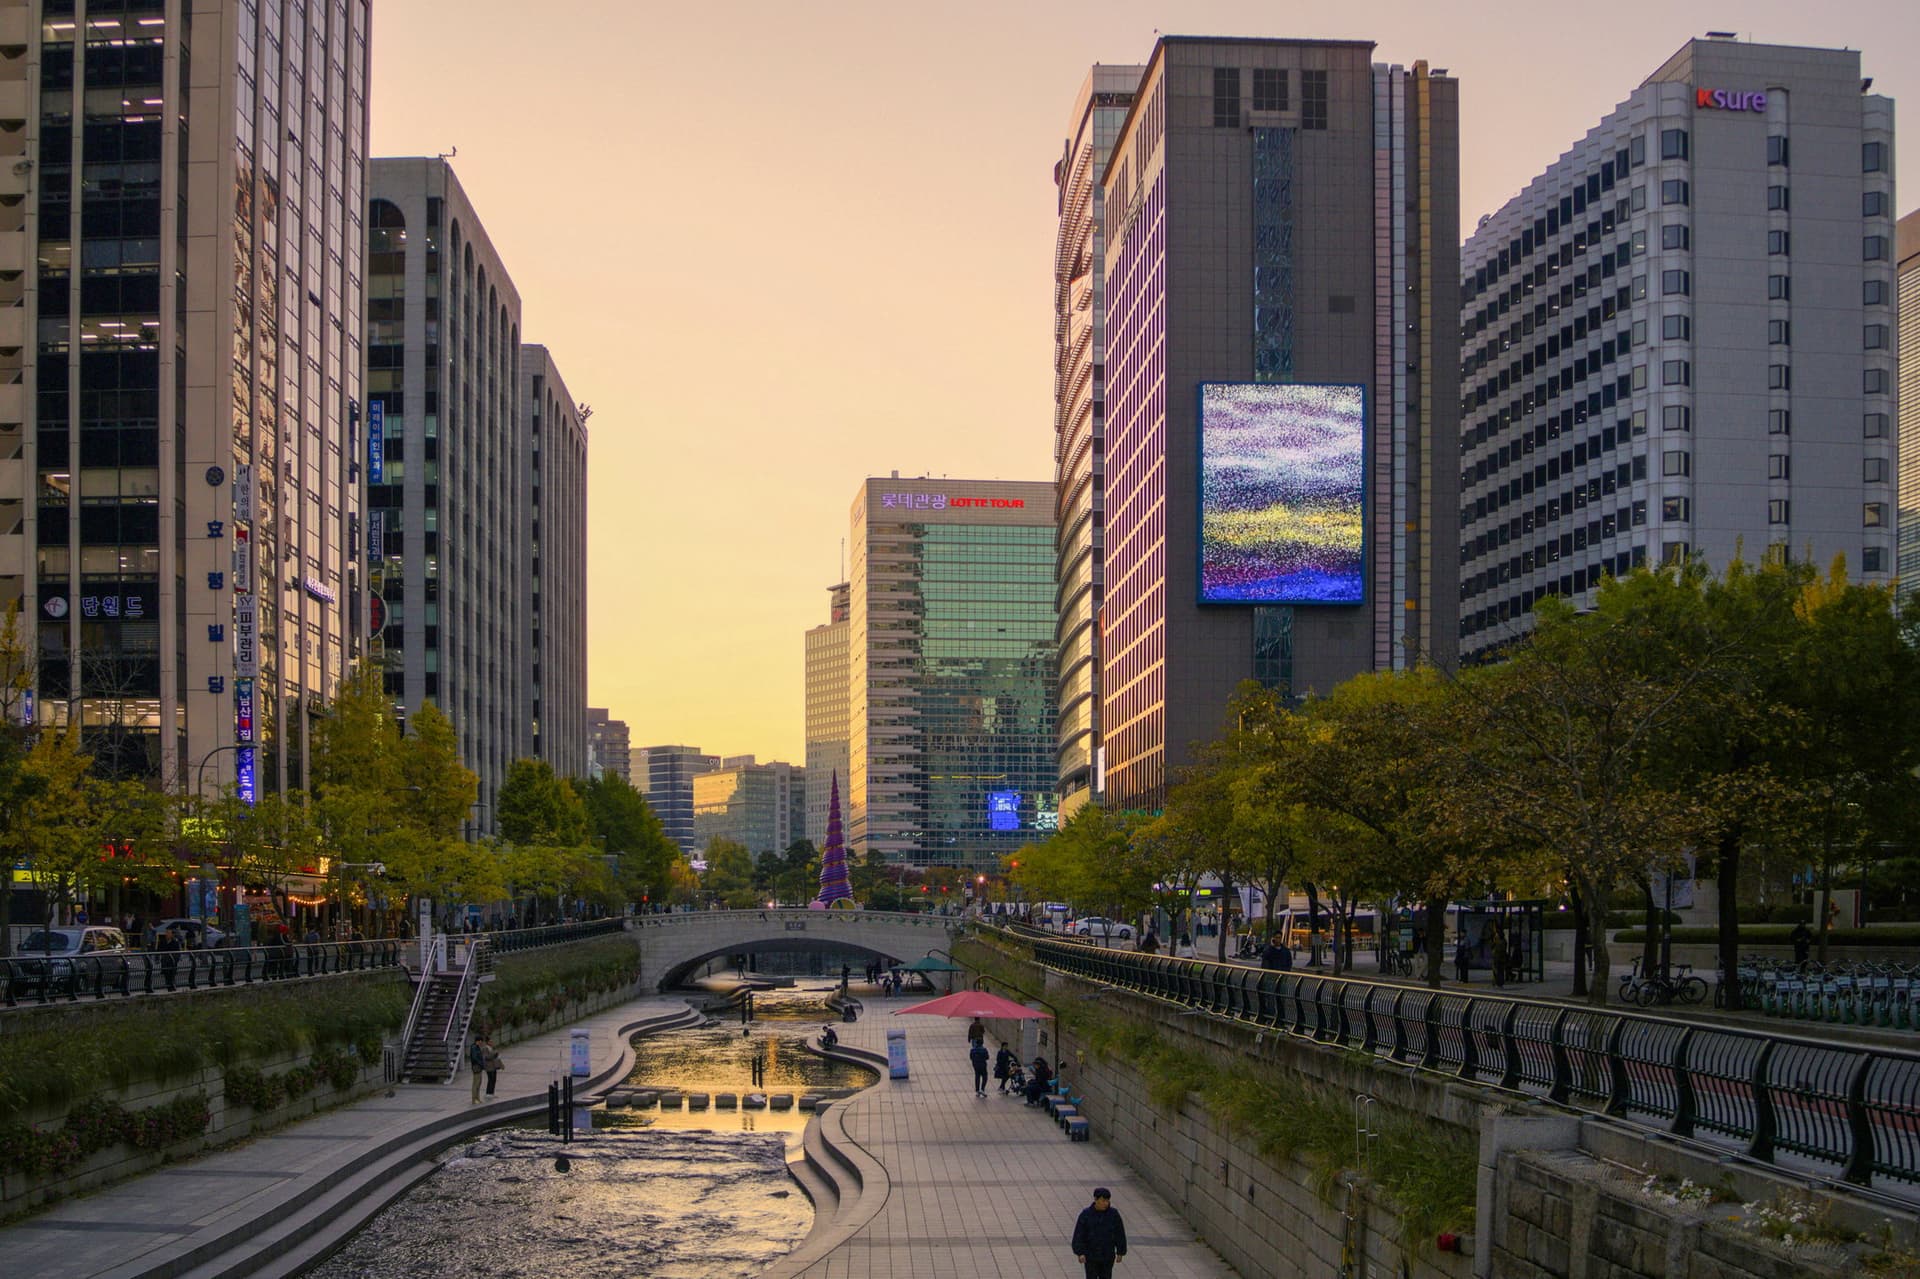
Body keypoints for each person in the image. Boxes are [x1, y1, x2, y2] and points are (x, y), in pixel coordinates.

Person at [1071, 1186, 1128, 1279]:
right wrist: (1080, 1252)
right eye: (1103, 1200)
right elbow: (1079, 1234)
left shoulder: (1113, 1215)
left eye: (1107, 1201)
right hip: (1091, 1255)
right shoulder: (1086, 1215)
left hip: (1107, 1255)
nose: (1106, 1203)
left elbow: (1119, 1233)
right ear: (1096, 1199)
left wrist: (1120, 1252)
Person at [468, 1032, 488, 1104]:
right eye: (481, 1041)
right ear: (478, 1041)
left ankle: (478, 1098)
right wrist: (481, 1064)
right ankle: (474, 1099)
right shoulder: (474, 1047)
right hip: (476, 1067)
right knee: (476, 1083)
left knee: (479, 1083)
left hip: (479, 1067)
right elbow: (475, 1058)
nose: (481, 1042)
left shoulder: (476, 1047)